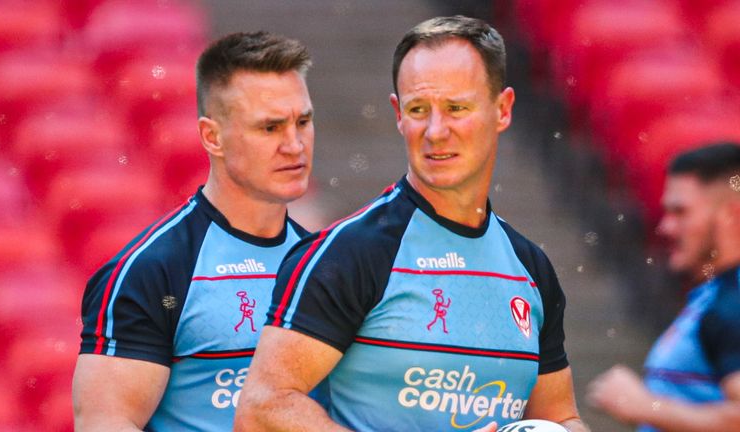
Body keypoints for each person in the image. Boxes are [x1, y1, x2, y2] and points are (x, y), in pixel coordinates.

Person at [236, 16, 588, 432]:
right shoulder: (349, 252)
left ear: (503, 109)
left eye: (457, 108)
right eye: (419, 110)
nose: (436, 131)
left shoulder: (531, 268)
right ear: (398, 114)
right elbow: (262, 406)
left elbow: (559, 418)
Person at [72, 31, 315, 431]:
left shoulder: (324, 262)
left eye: (302, 121)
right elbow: (106, 422)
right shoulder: (153, 271)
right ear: (212, 137)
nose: (294, 144)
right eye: (270, 128)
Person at [587, 143, 740, 431]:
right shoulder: (714, 295)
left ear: (730, 215)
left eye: (680, 212)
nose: (665, 227)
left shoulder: (733, 303)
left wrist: (647, 405)